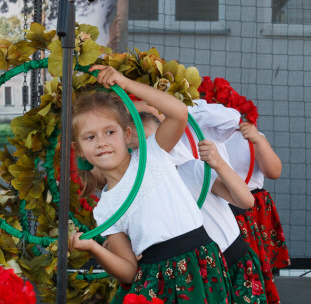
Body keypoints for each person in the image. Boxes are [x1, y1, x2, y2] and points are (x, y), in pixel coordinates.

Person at [68, 65, 231, 304]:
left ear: (126, 134)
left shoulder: (153, 154)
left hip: (200, 264)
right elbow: (129, 269)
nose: (101, 142)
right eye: (90, 137)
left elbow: (178, 113)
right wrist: (94, 248)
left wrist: (126, 84)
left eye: (109, 132)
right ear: (79, 150)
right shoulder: (105, 208)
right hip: (157, 281)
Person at [136, 108, 268, 304]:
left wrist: (219, 163)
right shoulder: (141, 193)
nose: (149, 152)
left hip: (232, 261)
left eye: (155, 142)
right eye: (138, 148)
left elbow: (246, 201)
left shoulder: (191, 170)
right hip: (200, 275)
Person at [225, 123, 289, 304]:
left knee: (253, 263)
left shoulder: (250, 135)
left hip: (250, 208)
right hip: (216, 207)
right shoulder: (198, 132)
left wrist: (257, 139)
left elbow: (274, 171)